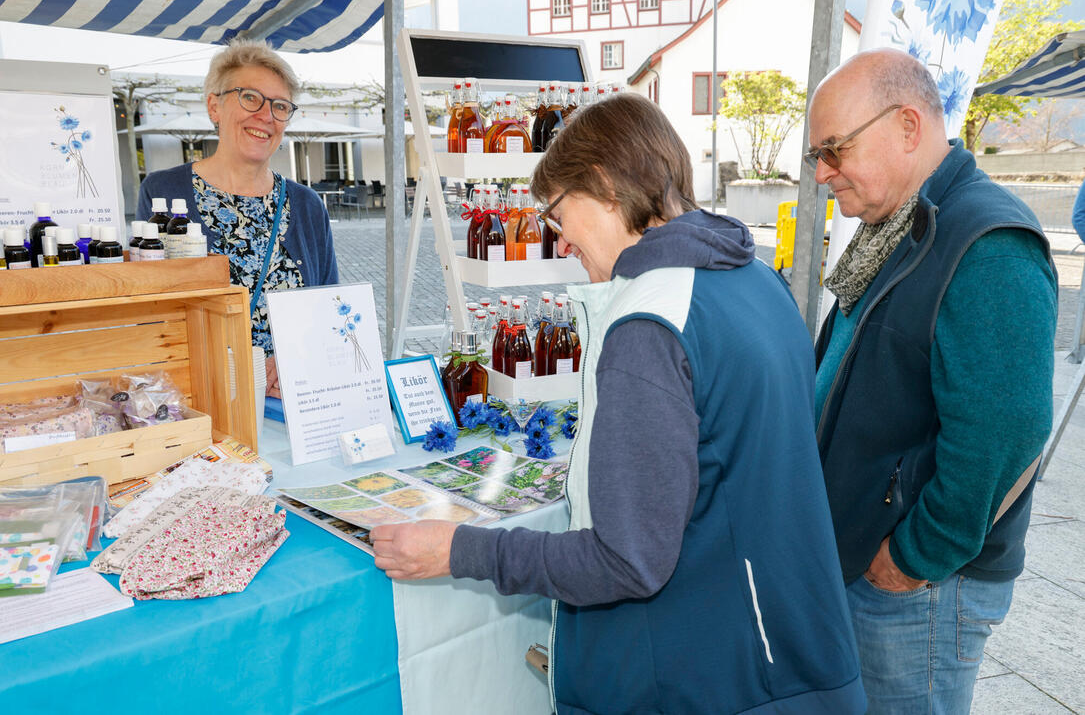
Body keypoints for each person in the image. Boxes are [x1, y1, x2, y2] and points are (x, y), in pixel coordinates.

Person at [372, 94, 865, 714]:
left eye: (556, 213)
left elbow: (626, 560)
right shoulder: (756, 278)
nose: (559, 239)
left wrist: (456, 548)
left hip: (704, 676)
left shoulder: (648, 325)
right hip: (783, 649)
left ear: (604, 185)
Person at [808, 49, 1057, 713]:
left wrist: (910, 559)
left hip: (917, 588)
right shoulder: (898, 226)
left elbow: (1004, 438)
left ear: (908, 127)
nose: (821, 173)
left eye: (833, 150)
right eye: (817, 156)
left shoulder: (986, 240)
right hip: (872, 566)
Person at [137, 39, 339, 398]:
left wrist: (294, 360)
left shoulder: (308, 206)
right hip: (205, 398)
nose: (266, 116)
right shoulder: (163, 192)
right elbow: (155, 314)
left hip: (291, 403)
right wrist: (245, 365)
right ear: (214, 105)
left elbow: (331, 313)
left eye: (280, 106)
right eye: (250, 97)